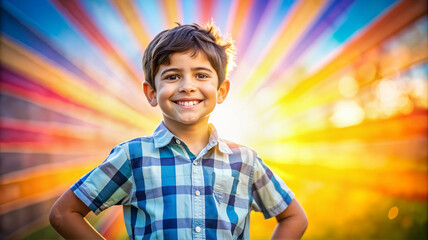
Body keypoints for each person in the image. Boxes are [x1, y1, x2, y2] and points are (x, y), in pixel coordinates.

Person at [49, 23, 308, 240]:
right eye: (172, 76)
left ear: (221, 91)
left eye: (201, 75)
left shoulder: (245, 161)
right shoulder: (133, 157)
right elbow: (63, 214)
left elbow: (294, 217)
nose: (187, 86)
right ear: (152, 93)